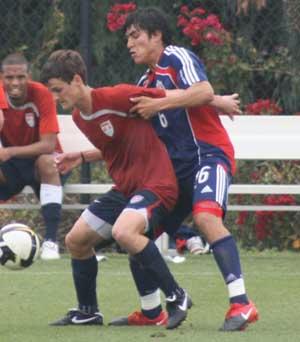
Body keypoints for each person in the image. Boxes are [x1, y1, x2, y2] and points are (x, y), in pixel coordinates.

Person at [109, 7, 259, 332]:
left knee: (206, 218)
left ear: (157, 36)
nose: (129, 44)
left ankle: (242, 304)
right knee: (137, 235)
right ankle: (151, 312)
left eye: (135, 36)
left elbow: (202, 90)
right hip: (173, 173)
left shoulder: (177, 57)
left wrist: (195, 100)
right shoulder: (144, 81)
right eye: (127, 39)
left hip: (208, 155)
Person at [40, 49, 191, 330]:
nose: (55, 98)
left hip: (155, 183)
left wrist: (213, 99)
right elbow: (114, 144)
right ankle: (88, 311)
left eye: (58, 90)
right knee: (76, 240)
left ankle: (177, 296)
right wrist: (82, 155)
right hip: (126, 189)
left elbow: (172, 97)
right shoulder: (79, 117)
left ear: (76, 80)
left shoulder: (116, 96)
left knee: (124, 232)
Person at [0, 53, 64, 260]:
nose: (15, 82)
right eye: (9, 78)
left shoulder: (41, 94)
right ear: (2, 78)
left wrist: (9, 151)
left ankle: (51, 243)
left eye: (20, 77)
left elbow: (48, 145)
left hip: (44, 162)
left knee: (46, 162)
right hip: (12, 166)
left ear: (29, 76)